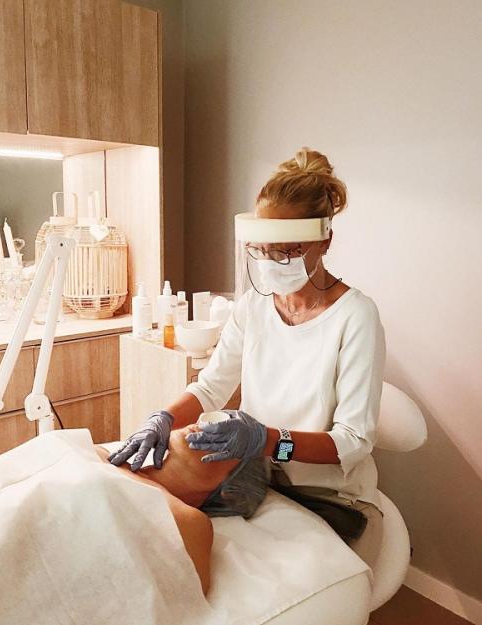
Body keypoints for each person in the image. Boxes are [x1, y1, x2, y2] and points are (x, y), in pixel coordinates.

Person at [109, 147, 387, 569]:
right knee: (138, 510)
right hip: (256, 473)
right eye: (262, 249)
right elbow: (210, 387)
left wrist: (267, 439)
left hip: (328, 495)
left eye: (287, 251)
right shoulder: (254, 306)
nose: (272, 262)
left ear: (325, 239)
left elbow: (352, 441)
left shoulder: (356, 317)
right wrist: (162, 418)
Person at [98, 423, 268, 594]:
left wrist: (276, 442)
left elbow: (184, 594)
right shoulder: (104, 454)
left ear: (228, 492)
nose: (207, 426)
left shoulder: (190, 521)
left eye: (227, 440)